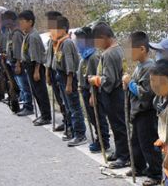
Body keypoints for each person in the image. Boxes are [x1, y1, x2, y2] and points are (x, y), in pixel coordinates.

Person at [122, 31, 162, 185]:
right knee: (136, 141)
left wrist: (130, 83)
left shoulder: (150, 67)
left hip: (146, 111)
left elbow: (146, 93)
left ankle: (155, 173)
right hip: (137, 111)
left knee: (148, 143)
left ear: (142, 49)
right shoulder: (140, 66)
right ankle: (139, 166)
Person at [89, 22, 130, 169]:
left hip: (113, 93)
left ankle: (124, 156)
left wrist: (95, 80)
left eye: (96, 40)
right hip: (117, 93)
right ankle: (120, 151)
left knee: (118, 125)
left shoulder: (109, 53)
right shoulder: (117, 49)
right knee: (116, 124)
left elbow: (109, 80)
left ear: (104, 37)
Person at [51, 16, 87, 147]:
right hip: (61, 76)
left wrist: (69, 83)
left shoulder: (66, 43)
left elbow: (70, 66)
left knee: (74, 107)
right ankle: (72, 130)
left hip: (67, 78)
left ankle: (80, 134)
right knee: (68, 106)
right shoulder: (59, 42)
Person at [75, 26, 110, 154]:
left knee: (98, 116)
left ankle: (103, 141)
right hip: (85, 90)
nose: (78, 43)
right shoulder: (84, 56)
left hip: (93, 92)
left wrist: (92, 94)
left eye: (81, 40)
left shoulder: (94, 56)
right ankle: (98, 138)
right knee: (91, 117)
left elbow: (95, 77)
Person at [19, 10, 52, 126]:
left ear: (30, 22)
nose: (21, 24)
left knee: (40, 91)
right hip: (29, 66)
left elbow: (37, 56)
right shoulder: (27, 34)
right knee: (36, 92)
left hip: (35, 67)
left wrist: (37, 70)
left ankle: (46, 116)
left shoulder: (33, 36)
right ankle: (43, 114)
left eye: (23, 22)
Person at [5, 10, 33, 117]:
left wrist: (18, 64)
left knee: (24, 86)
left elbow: (18, 51)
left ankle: (28, 106)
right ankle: (25, 103)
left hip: (18, 64)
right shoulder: (10, 32)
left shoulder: (16, 33)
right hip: (12, 62)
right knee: (20, 85)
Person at [45, 10, 68, 133]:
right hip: (53, 71)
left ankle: (69, 123)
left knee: (65, 99)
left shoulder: (63, 40)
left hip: (61, 72)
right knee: (59, 99)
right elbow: (49, 58)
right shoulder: (51, 39)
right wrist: (47, 73)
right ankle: (65, 120)